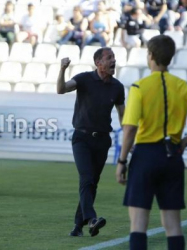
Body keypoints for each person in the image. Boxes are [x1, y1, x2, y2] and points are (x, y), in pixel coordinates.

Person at [116, 35, 186, 250]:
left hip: (146, 156)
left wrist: (122, 161)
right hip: (172, 156)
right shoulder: (182, 86)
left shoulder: (140, 87)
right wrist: (182, 143)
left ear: (151, 56)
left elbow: (129, 129)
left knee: (138, 224)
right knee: (173, 226)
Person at [57, 47, 125, 237]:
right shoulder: (84, 79)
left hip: (103, 140)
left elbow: (123, 116)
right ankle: (92, 219)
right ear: (98, 63)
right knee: (87, 179)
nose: (114, 61)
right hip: (82, 138)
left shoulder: (117, 87)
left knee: (92, 183)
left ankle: (78, 227)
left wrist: (130, 138)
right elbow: (61, 89)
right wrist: (62, 69)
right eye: (109, 58)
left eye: (114, 57)